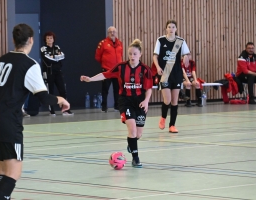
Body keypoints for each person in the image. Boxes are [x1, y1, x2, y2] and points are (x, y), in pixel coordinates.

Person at [0, 23, 70, 199]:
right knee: (13, 173)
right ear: (31, 41)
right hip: (8, 123)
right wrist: (61, 99)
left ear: (13, 40)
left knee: (2, 167)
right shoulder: (30, 65)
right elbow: (43, 98)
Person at [81, 39, 153, 167]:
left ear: (140, 54)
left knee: (138, 134)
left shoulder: (145, 70)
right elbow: (106, 74)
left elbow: (148, 88)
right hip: (125, 101)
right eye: (130, 54)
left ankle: (131, 143)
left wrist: (146, 101)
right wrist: (90, 79)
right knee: (132, 130)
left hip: (140, 102)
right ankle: (136, 159)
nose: (132, 56)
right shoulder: (121, 67)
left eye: (135, 54)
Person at [153, 20, 190, 133]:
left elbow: (187, 55)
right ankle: (163, 117)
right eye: (169, 27)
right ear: (166, 28)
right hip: (165, 73)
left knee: (174, 101)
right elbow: (155, 56)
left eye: (173, 27)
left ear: (176, 29)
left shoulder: (180, 41)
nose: (171, 29)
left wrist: (186, 58)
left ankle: (172, 125)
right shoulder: (160, 40)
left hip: (177, 73)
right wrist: (158, 67)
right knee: (167, 99)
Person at [41, 31, 73, 115]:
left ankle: (65, 109)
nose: (49, 39)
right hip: (49, 73)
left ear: (53, 39)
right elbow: (47, 58)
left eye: (51, 38)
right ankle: (51, 110)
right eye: (47, 38)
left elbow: (62, 56)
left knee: (63, 90)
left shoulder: (57, 47)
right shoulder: (43, 48)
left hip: (58, 72)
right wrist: (56, 58)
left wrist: (54, 57)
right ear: (45, 39)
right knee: (50, 91)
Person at [95, 26, 123, 112]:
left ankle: (117, 106)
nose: (112, 33)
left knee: (117, 89)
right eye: (110, 32)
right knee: (105, 89)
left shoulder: (120, 43)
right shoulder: (103, 43)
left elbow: (121, 55)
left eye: (114, 31)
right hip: (106, 70)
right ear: (108, 33)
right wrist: (105, 64)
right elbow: (97, 57)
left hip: (117, 70)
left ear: (116, 33)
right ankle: (104, 107)